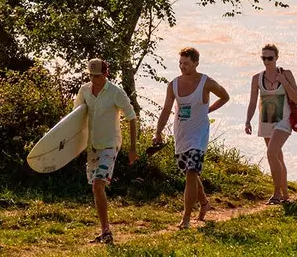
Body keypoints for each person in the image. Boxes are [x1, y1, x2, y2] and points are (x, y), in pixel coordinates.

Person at [153, 47, 229, 228]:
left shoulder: (206, 82)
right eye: (180, 63)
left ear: (196, 63)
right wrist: (158, 132)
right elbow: (166, 109)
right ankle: (204, 203)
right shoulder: (173, 84)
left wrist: (208, 109)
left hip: (199, 134)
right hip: (181, 133)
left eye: (186, 63)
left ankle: (186, 218)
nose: (182, 66)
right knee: (189, 174)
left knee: (191, 171)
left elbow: (225, 96)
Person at [74, 58, 138, 245]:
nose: (94, 79)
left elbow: (132, 118)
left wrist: (133, 148)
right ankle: (104, 231)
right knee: (95, 187)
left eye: (98, 76)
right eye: (91, 76)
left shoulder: (116, 93)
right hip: (92, 145)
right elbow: (75, 118)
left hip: (110, 144)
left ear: (106, 74)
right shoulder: (84, 91)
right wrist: (74, 147)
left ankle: (106, 232)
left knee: (98, 184)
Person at [245, 44, 297, 205]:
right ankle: (285, 195)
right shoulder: (257, 78)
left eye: (270, 58)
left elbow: (296, 97)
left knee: (271, 153)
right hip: (266, 120)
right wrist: (248, 120)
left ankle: (276, 195)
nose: (267, 61)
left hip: (284, 120)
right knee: (277, 156)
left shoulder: (286, 74)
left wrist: (283, 81)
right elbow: (252, 102)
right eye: (264, 58)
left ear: (277, 58)